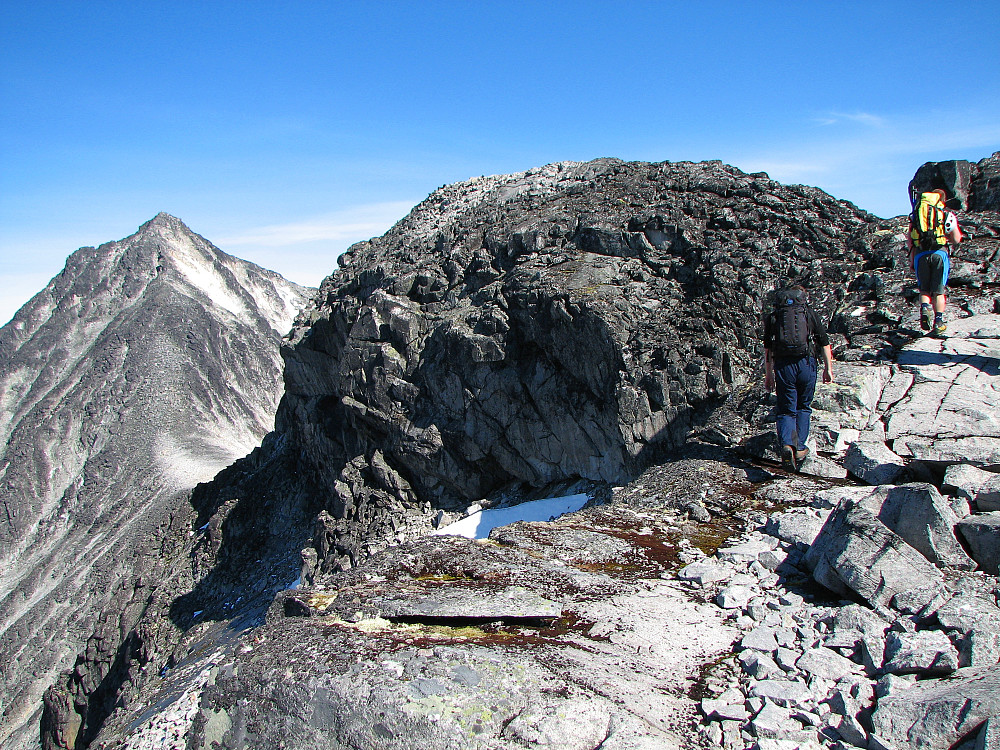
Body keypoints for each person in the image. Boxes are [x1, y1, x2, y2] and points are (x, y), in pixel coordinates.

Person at [763, 286, 834, 471]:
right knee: (803, 406)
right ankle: (799, 447)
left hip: (784, 366)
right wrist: (828, 369)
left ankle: (787, 444)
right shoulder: (809, 314)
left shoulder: (774, 317)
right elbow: (824, 343)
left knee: (786, 409)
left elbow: (768, 350)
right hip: (806, 364)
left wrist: (768, 375)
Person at [908, 188, 963, 337]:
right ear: (942, 200)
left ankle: (925, 308)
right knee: (939, 291)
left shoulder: (917, 216)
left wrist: (913, 261)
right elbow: (957, 239)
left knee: (924, 290)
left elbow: (911, 241)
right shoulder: (946, 214)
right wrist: (948, 239)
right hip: (939, 253)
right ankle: (939, 322)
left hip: (920, 255)